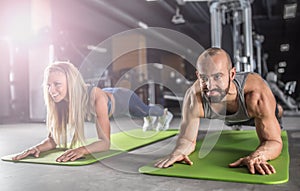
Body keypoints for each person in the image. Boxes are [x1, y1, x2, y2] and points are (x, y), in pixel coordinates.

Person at [155, 47, 283, 175]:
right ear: (198, 76)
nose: (210, 86)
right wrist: (179, 151)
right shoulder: (194, 97)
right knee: (229, 122)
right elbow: (187, 140)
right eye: (204, 78)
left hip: (253, 113)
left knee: (276, 112)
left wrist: (258, 156)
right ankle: (232, 120)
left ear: (232, 74)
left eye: (217, 77)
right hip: (229, 117)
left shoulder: (256, 95)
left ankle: (278, 110)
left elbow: (272, 141)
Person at [12, 61, 173, 162]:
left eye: (57, 84)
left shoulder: (94, 97)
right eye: (48, 85)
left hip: (124, 99)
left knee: (145, 111)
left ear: (71, 83)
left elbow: (105, 143)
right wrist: (37, 148)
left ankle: (163, 113)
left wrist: (81, 149)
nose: (51, 90)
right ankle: (151, 119)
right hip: (107, 93)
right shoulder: (61, 103)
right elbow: (53, 140)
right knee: (144, 114)